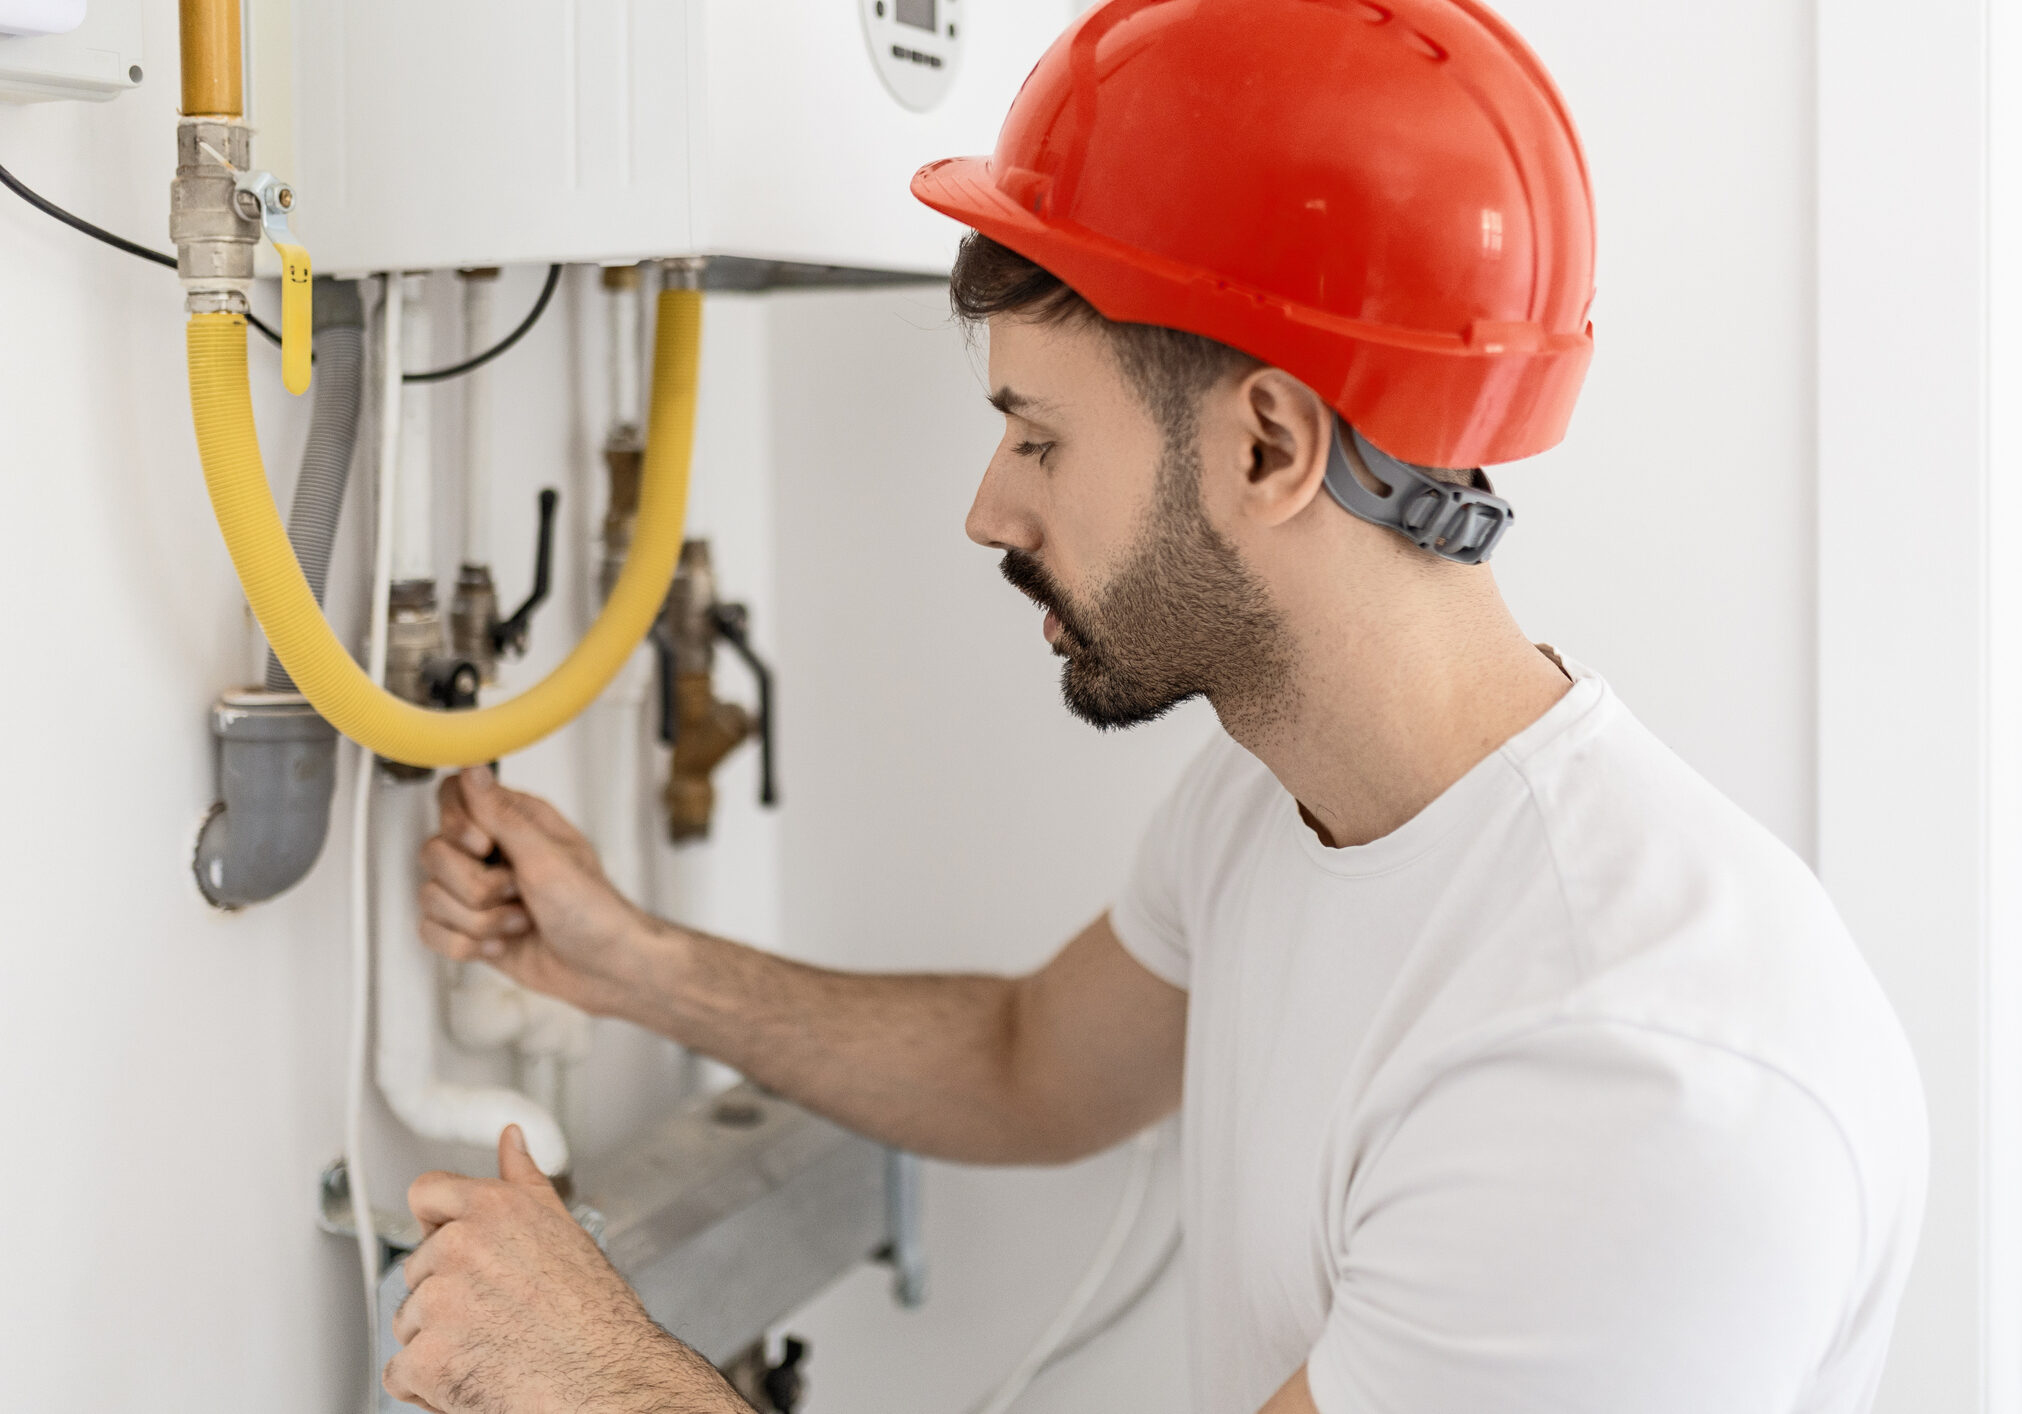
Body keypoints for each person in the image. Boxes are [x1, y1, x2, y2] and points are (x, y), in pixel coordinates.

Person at [379, 2, 1927, 1411]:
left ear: (1268, 447)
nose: (988, 510)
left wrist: (591, 1378)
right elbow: (1024, 1060)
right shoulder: (1280, 799)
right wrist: (630, 961)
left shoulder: (1623, 1076)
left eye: (1037, 438)